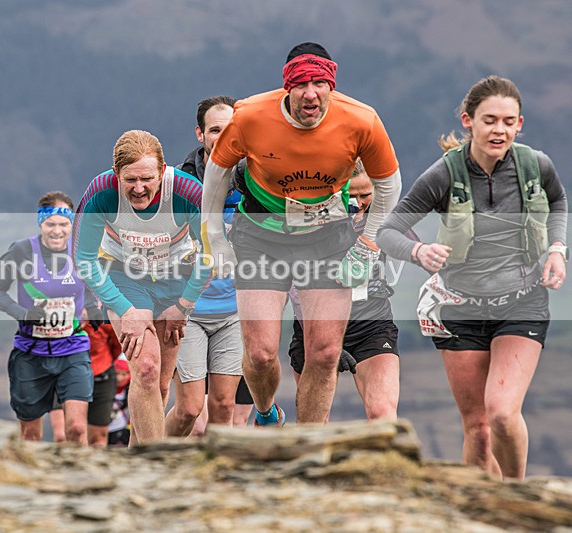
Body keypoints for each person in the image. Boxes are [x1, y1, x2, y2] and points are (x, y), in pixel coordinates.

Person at [201, 42, 401, 426]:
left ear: (332, 85)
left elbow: (389, 186)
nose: (311, 93)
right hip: (261, 235)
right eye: (301, 84)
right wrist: (216, 238)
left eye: (320, 83)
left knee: (324, 354)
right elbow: (217, 172)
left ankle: (308, 441)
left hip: (326, 237)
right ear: (287, 88)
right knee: (260, 354)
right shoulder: (250, 115)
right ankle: (265, 412)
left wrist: (368, 245)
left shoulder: (362, 120)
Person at [378, 76, 567, 480]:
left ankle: (515, 498)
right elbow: (388, 231)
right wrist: (419, 251)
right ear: (468, 121)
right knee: (478, 429)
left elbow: (558, 201)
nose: (499, 129)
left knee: (500, 412)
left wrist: (556, 250)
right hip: (459, 308)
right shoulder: (443, 174)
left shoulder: (536, 165)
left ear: (520, 124)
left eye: (508, 121)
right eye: (489, 120)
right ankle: (479, 510)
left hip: (522, 302)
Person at [72, 130, 210, 444]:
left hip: (175, 278)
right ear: (115, 174)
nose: (139, 188)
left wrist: (184, 305)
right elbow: (82, 257)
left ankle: (138, 461)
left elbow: (212, 253)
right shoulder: (101, 191)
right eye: (130, 180)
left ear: (162, 171)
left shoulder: (188, 192)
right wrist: (123, 309)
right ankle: (153, 464)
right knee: (145, 368)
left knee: (160, 385)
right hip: (124, 276)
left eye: (147, 178)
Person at [289, 160, 405, 421]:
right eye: (351, 196)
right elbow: (296, 287)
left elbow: (410, 245)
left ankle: (385, 463)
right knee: (314, 425)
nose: (360, 202)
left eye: (366, 194)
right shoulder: (311, 220)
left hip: (371, 325)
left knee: (383, 415)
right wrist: (321, 338)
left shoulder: (383, 214)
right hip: (315, 328)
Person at [166, 95, 249, 437]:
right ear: (200, 135)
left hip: (236, 310)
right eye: (215, 129)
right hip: (189, 310)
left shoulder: (256, 179)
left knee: (224, 408)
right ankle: (152, 460)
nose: (223, 135)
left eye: (230, 128)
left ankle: (217, 481)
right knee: (188, 410)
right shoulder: (178, 186)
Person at [0, 191, 92, 444]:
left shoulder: (82, 250)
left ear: (72, 225)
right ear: (40, 224)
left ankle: (79, 480)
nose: (57, 231)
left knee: (76, 427)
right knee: (31, 435)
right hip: (31, 353)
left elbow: (94, 287)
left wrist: (91, 308)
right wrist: (23, 314)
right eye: (51, 224)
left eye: (64, 224)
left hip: (72, 349)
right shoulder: (23, 251)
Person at [84, 316, 123, 447]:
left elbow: (118, 342)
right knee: (71, 430)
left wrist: (104, 361)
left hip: (102, 374)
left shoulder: (102, 313)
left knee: (99, 435)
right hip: (67, 372)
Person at [108, 355, 131, 446]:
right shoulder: (103, 386)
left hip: (118, 426)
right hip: (99, 426)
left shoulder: (130, 388)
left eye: (123, 374)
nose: (119, 378)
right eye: (116, 373)